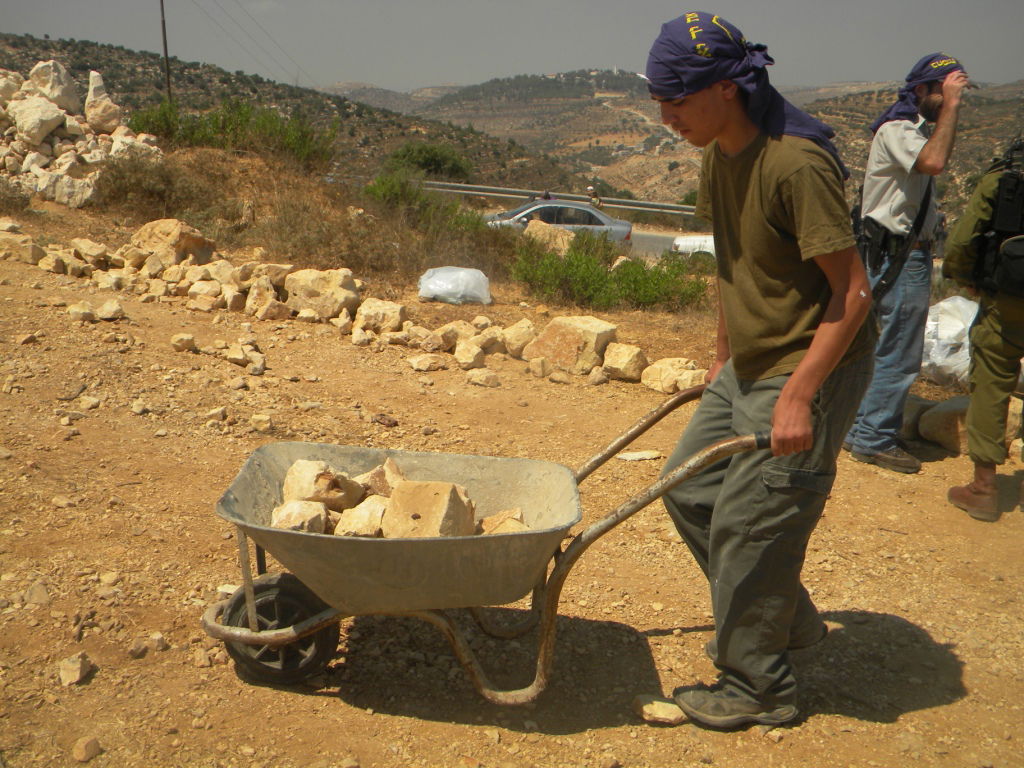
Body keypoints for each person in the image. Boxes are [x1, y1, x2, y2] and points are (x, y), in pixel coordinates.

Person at [646, 11, 874, 728]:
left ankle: (759, 686)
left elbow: (853, 291)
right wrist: (722, 356)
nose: (666, 116)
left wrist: (800, 395)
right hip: (752, 358)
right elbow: (732, 261)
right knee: (687, 490)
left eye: (677, 99)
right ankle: (789, 622)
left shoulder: (794, 161)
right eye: (659, 99)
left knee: (752, 520)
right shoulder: (721, 149)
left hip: (812, 359)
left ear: (724, 89)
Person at [844, 54, 970, 473]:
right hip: (898, 253)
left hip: (893, 251)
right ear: (921, 91)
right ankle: (872, 437)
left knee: (877, 345)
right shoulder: (898, 129)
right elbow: (934, 162)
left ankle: (860, 427)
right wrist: (951, 107)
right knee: (898, 351)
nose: (951, 99)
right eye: (942, 91)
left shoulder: (908, 131)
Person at [942, 138, 1024, 522]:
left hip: (1006, 301)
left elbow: (962, 241)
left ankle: (984, 488)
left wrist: (964, 278)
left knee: (992, 381)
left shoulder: (1004, 179)